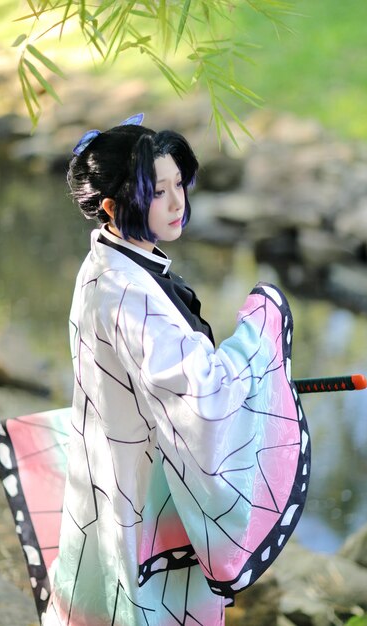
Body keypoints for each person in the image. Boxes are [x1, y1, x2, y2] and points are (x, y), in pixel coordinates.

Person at [38, 114, 310, 625]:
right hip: (142, 482)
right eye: (156, 191)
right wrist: (259, 332)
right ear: (112, 207)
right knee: (148, 600)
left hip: (119, 465)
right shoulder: (126, 293)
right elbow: (200, 397)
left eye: (178, 184)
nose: (177, 201)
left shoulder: (111, 263)